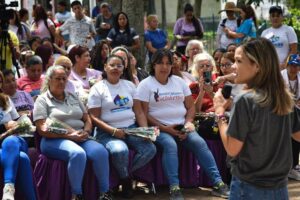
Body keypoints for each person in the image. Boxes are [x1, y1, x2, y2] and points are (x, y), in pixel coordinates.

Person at [213, 38, 300, 199]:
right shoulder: (284, 97)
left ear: (257, 66)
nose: (233, 66)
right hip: (280, 188)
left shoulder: (245, 100)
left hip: (248, 188)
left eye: (239, 61)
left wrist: (219, 113)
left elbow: (232, 148)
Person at [136, 49, 229, 200]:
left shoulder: (179, 82)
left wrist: (188, 123)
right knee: (170, 145)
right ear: (153, 65)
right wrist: (165, 128)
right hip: (159, 129)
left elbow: (191, 107)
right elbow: (144, 114)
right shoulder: (145, 85)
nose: (164, 67)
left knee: (199, 143)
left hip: (183, 126)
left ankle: (218, 184)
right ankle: (174, 188)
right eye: (160, 63)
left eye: (168, 63)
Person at [33, 65, 112, 200]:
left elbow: (87, 118)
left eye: (64, 79)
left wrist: (87, 131)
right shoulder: (42, 100)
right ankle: (76, 194)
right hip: (54, 139)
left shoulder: (73, 96)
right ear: (49, 80)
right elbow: (42, 129)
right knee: (77, 154)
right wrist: (69, 135)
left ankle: (104, 193)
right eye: (58, 78)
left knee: (101, 152)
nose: (62, 82)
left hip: (80, 136)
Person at [88, 55, 156, 198]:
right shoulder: (98, 88)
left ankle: (124, 175)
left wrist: (144, 130)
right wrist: (113, 131)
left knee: (149, 149)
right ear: (105, 67)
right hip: (106, 132)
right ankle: (125, 180)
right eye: (112, 65)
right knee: (120, 151)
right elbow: (93, 117)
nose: (115, 68)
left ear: (124, 68)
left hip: (131, 128)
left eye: (119, 65)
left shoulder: (129, 85)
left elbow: (138, 111)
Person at [0, 71, 37, 200]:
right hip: (5, 144)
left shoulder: (5, 99)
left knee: (10, 141)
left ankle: (9, 188)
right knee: (22, 159)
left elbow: (13, 122)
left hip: (12, 141)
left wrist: (21, 123)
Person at [281, 54, 300, 181]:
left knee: (296, 134)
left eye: (296, 65)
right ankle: (283, 167)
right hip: (282, 109)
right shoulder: (279, 76)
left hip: (296, 111)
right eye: (291, 65)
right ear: (287, 65)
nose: (293, 68)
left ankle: (293, 166)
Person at [261, 6, 298, 70]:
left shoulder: (289, 30)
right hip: (269, 68)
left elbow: (294, 50)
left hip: (285, 68)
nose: (275, 18)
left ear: (282, 17)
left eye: (278, 15)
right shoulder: (265, 33)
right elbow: (262, 51)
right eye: (273, 16)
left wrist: (285, 64)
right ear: (269, 17)